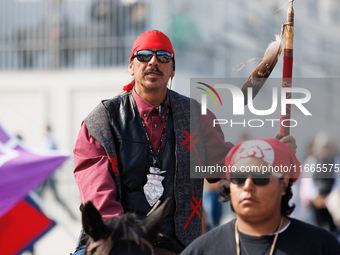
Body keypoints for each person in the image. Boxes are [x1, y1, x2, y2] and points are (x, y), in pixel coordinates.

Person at [73, 30, 296, 255]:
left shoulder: (196, 115)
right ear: (131, 67)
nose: (153, 62)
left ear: (172, 70)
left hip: (181, 248)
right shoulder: (100, 122)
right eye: (143, 56)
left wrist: (272, 153)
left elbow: (229, 162)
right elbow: (99, 197)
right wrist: (129, 242)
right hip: (115, 242)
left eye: (163, 57)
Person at [181, 138, 340, 255]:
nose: (248, 185)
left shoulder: (322, 246)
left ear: (283, 184)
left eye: (260, 177)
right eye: (239, 177)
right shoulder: (201, 250)